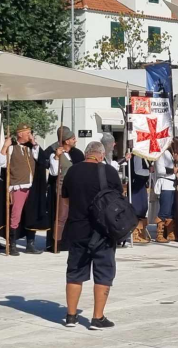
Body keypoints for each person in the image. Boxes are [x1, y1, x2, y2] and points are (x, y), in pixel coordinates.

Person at [63, 141, 120, 330]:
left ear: (87, 154)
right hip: (102, 231)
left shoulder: (72, 171)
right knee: (103, 273)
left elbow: (65, 200)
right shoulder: (109, 172)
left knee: (74, 274)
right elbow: (118, 201)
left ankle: (71, 316)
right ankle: (97, 318)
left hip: (77, 229)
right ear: (101, 155)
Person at [45, 127, 83, 252]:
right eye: (73, 138)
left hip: (75, 190)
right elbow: (54, 172)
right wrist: (56, 157)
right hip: (62, 190)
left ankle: (70, 242)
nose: (75, 140)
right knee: (61, 217)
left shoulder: (76, 153)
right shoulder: (54, 154)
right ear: (66, 141)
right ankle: (56, 242)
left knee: (72, 217)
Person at [6, 122, 43, 254]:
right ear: (20, 134)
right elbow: (2, 163)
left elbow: (39, 157)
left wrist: (34, 143)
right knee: (16, 215)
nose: (30, 135)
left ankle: (30, 244)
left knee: (31, 214)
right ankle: (12, 244)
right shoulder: (12, 149)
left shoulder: (30, 149)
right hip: (18, 186)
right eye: (27, 133)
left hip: (30, 186)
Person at [153, 140, 178, 242]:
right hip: (165, 184)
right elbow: (160, 170)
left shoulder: (168, 153)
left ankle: (169, 233)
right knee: (164, 210)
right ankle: (159, 235)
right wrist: (173, 170)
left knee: (170, 212)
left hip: (171, 184)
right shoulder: (161, 153)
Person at [128, 152, 152, 244]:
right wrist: (148, 171)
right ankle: (135, 234)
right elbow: (137, 170)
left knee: (143, 207)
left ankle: (140, 233)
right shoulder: (138, 155)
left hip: (141, 184)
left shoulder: (143, 156)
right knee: (137, 208)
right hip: (137, 185)